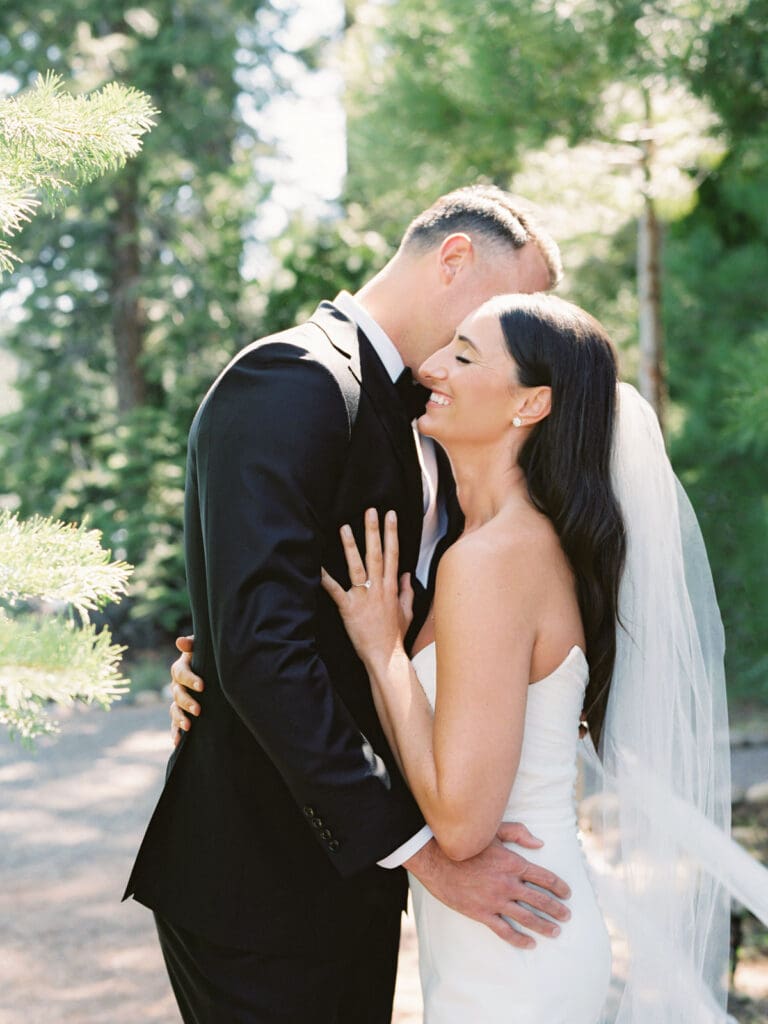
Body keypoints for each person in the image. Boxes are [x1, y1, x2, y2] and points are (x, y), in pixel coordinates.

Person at [173, 292, 768, 1022]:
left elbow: (460, 824)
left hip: (512, 940)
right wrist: (214, 670)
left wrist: (384, 651)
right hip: (497, 932)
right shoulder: (483, 545)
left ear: (531, 404)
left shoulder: (495, 560)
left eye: (464, 355)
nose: (430, 368)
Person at [124, 186, 575, 1024]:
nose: (515, 327)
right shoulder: (290, 379)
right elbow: (261, 646)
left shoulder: (436, 424)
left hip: (350, 879)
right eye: (509, 299)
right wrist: (421, 856)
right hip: (258, 886)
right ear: (453, 260)